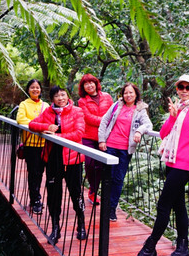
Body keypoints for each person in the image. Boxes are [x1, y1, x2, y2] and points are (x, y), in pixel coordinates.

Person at [129, 73, 189, 256]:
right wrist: (172, 117)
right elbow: (164, 134)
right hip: (172, 163)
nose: (184, 90)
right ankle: (182, 252)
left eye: (188, 87)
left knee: (163, 205)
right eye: (181, 87)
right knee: (178, 206)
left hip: (184, 166)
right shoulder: (180, 110)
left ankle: (149, 248)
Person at [29, 85, 87, 245]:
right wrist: (46, 127)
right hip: (53, 159)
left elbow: (79, 133)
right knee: (53, 193)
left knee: (76, 192)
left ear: (67, 96)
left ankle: (81, 223)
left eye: (63, 95)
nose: (61, 98)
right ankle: (56, 228)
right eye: (57, 96)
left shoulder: (77, 111)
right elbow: (32, 124)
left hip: (72, 159)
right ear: (52, 99)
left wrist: (58, 136)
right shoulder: (48, 112)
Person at [97, 82, 152, 222]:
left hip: (125, 149)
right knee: (107, 177)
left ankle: (111, 208)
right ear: (122, 94)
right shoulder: (117, 105)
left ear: (136, 94)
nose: (128, 95)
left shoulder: (140, 109)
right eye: (126, 92)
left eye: (131, 92)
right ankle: (105, 205)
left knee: (118, 179)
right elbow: (104, 121)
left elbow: (148, 124)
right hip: (110, 146)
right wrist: (101, 140)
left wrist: (139, 131)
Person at [77, 73, 113, 204]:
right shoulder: (82, 101)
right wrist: (105, 121)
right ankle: (92, 188)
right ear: (83, 87)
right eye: (86, 84)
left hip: (104, 137)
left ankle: (94, 191)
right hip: (88, 136)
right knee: (90, 164)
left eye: (91, 82)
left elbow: (113, 113)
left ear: (96, 83)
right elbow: (88, 118)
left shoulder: (107, 97)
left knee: (101, 166)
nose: (89, 85)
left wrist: (107, 122)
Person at [16, 78, 47, 213]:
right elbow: (20, 119)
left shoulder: (45, 105)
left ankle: (37, 198)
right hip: (31, 144)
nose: (35, 89)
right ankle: (35, 200)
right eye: (32, 87)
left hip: (45, 144)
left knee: (40, 172)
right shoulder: (24, 104)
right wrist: (39, 126)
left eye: (37, 87)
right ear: (28, 90)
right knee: (33, 172)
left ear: (40, 90)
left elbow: (50, 120)